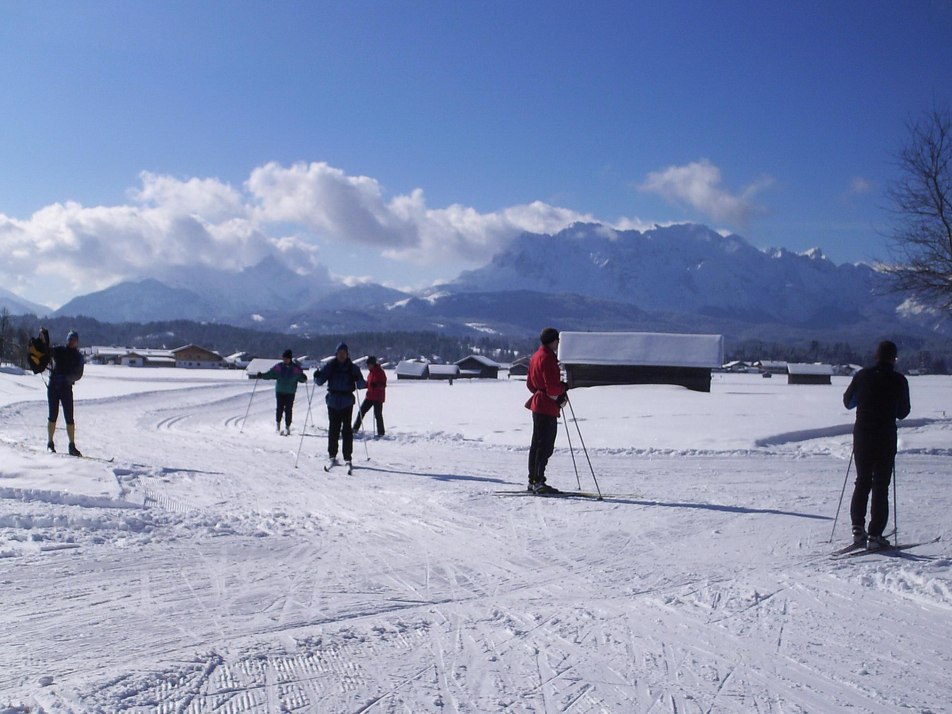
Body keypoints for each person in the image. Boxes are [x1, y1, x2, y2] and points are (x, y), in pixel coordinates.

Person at [843, 340, 911, 549]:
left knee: (862, 480)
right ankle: (875, 535)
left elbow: (848, 402)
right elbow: (903, 412)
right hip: (885, 436)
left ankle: (857, 528)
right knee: (880, 485)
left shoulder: (862, 375)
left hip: (862, 435)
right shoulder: (899, 380)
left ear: (876, 356)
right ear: (894, 358)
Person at [525, 327, 568, 494]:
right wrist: (563, 388)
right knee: (545, 445)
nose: (558, 343)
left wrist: (541, 392)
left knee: (536, 444)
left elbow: (530, 384)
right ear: (552, 340)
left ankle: (533, 480)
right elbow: (552, 389)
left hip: (538, 403)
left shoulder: (536, 356)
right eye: (557, 340)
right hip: (547, 406)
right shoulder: (548, 358)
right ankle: (538, 482)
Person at [314, 342, 366, 469]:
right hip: (333, 401)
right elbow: (320, 382)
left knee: (347, 430)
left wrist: (358, 380)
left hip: (347, 401)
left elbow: (361, 385)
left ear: (347, 354)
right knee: (334, 429)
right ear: (336, 354)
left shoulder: (353, 368)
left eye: (344, 353)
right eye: (339, 353)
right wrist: (317, 376)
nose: (342, 355)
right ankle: (332, 454)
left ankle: (347, 456)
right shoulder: (330, 366)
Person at [47, 329, 85, 456]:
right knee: (52, 416)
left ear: (77, 342)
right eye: (70, 339)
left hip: (66, 388)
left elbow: (78, 374)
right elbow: (46, 351)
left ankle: (71, 446)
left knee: (69, 418)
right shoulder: (59, 350)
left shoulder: (78, 357)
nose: (71, 342)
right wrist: (43, 337)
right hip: (53, 387)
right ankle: (50, 443)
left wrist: (67, 378)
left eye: (74, 340)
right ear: (67, 340)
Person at [258, 349, 307, 435]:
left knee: (288, 410)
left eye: (286, 358)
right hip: (280, 391)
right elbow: (270, 374)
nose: (284, 360)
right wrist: (262, 375)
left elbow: (301, 378)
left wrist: (304, 378)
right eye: (283, 358)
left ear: (290, 358)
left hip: (290, 392)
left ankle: (287, 427)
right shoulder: (279, 367)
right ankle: (278, 427)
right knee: (279, 409)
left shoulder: (296, 368)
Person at [353, 356, 387, 437]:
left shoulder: (380, 372)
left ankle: (381, 432)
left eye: (369, 364)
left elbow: (383, 384)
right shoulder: (371, 372)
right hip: (370, 396)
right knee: (361, 411)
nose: (368, 366)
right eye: (367, 364)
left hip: (378, 397)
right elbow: (369, 384)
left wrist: (376, 385)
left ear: (373, 364)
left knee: (378, 415)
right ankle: (355, 428)